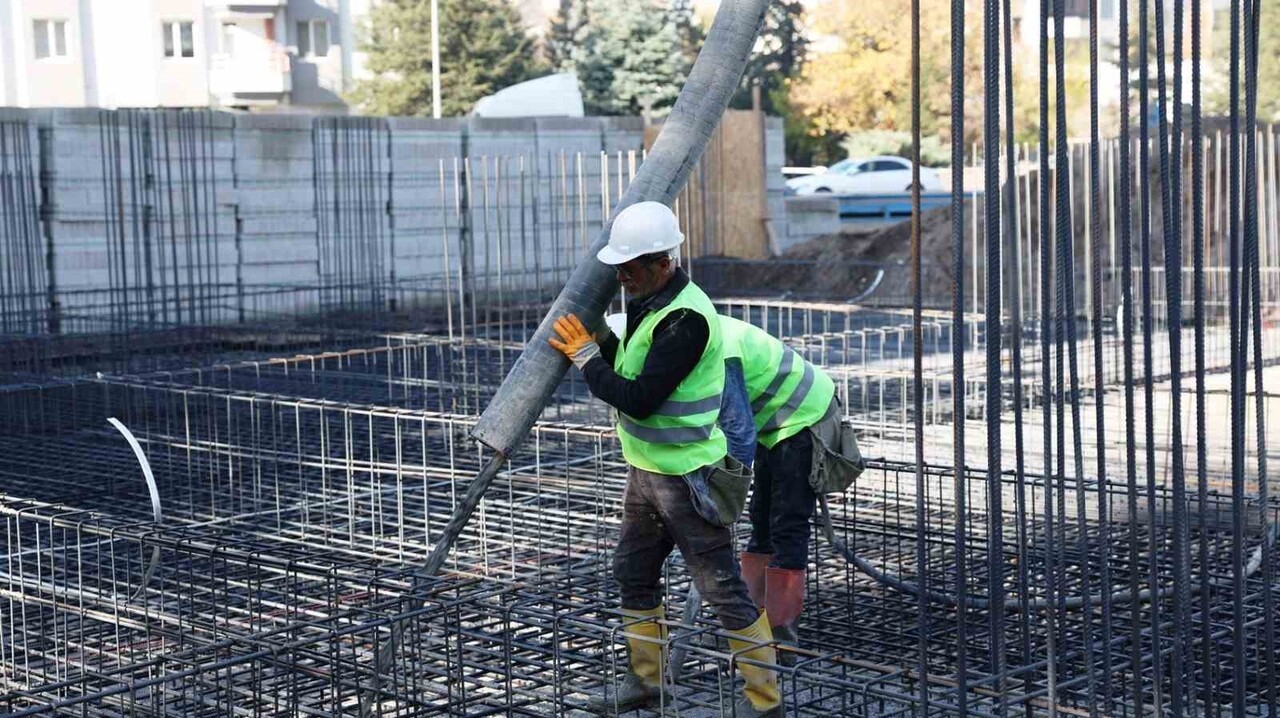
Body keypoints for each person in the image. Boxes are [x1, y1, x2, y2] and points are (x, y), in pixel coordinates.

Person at [548, 201, 783, 717]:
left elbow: (639, 397)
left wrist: (586, 356)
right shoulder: (649, 301)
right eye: (619, 270)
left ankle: (765, 703)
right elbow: (632, 366)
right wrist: (604, 339)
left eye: (631, 269)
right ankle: (647, 684)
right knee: (633, 572)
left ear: (664, 261)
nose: (623, 278)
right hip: (648, 471)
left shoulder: (687, 319)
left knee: (721, 588)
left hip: (687, 476)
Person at [716, 314, 844, 661]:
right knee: (761, 519)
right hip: (772, 421)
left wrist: (723, 489)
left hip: (803, 416)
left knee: (787, 523)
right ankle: (751, 622)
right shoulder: (685, 331)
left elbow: (737, 435)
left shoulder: (716, 348)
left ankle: (781, 640)